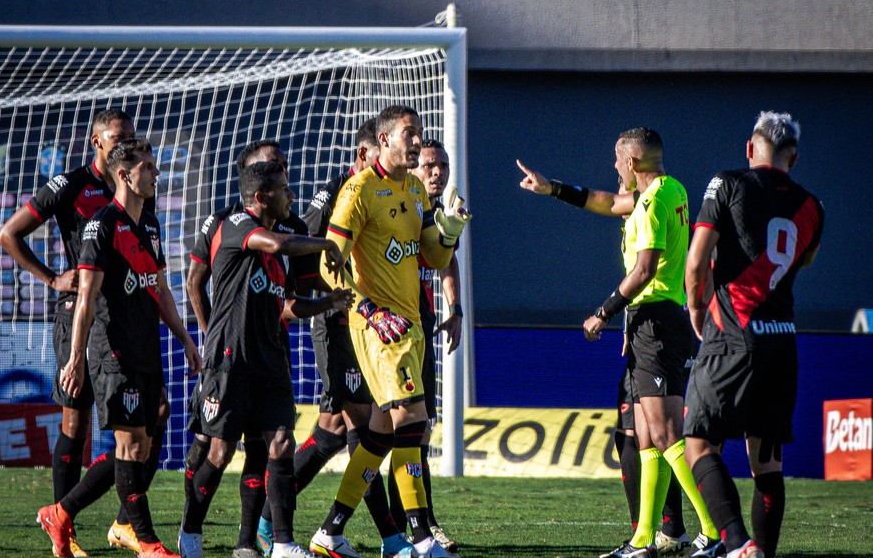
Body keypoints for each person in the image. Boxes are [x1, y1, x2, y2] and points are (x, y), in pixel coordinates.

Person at [0, 109, 169, 558]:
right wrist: (54, 278)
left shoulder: (135, 193)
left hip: (126, 320)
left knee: (147, 423)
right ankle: (66, 527)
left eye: (131, 137)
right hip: (80, 314)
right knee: (77, 421)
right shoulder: (70, 185)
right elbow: (8, 235)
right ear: (96, 141)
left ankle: (120, 523)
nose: (125, 144)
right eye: (117, 138)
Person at [516, 162, 706, 557]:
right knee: (647, 439)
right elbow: (604, 201)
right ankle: (644, 541)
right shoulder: (672, 189)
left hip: (655, 323)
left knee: (667, 436)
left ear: (633, 162)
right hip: (650, 323)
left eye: (619, 159)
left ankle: (716, 530)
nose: (615, 166)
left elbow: (644, 271)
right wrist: (553, 187)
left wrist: (604, 313)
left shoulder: (653, 201)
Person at [308, 105, 471, 558]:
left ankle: (330, 530)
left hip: (412, 325)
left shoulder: (416, 188)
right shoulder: (358, 191)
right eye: (408, 134)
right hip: (378, 329)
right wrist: (370, 310)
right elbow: (328, 263)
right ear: (384, 141)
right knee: (412, 423)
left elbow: (432, 259)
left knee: (380, 434)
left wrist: (450, 230)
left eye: (418, 133)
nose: (417, 141)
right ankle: (420, 537)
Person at [35, 138, 201, 558]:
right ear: (124, 174)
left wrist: (185, 339)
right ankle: (145, 542)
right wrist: (75, 357)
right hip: (112, 351)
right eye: (147, 167)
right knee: (130, 445)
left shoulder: (151, 225)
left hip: (146, 347)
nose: (155, 174)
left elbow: (160, 289)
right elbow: (86, 297)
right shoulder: (102, 225)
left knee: (142, 445)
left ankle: (61, 511)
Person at [180, 162, 352, 558]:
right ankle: (190, 532)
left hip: (271, 358)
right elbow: (274, 244)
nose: (291, 196)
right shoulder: (237, 223)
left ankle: (284, 544)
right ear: (260, 198)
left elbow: (287, 305)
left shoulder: (285, 240)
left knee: (280, 443)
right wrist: (327, 245)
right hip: (231, 356)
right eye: (284, 189)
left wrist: (327, 301)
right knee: (219, 452)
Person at [259, 119, 414, 558]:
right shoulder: (340, 191)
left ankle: (269, 520)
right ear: (362, 156)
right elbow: (301, 235)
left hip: (360, 325)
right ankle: (385, 535)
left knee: (330, 433)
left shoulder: (388, 193)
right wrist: (304, 298)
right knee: (363, 428)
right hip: (335, 324)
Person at [683, 112, 823, 558]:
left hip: (733, 334)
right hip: (783, 339)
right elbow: (804, 261)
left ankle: (739, 543)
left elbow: (696, 258)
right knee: (767, 462)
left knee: (699, 443)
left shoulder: (727, 183)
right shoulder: (813, 206)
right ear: (793, 158)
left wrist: (697, 307)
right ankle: (762, 553)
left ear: (750, 148)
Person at [386, 138, 461, 552]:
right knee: (361, 431)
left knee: (417, 427)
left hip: (420, 321)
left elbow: (446, 259)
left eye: (443, 166)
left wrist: (457, 308)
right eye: (430, 165)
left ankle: (416, 526)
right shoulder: (397, 203)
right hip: (384, 325)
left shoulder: (438, 209)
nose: (437, 172)